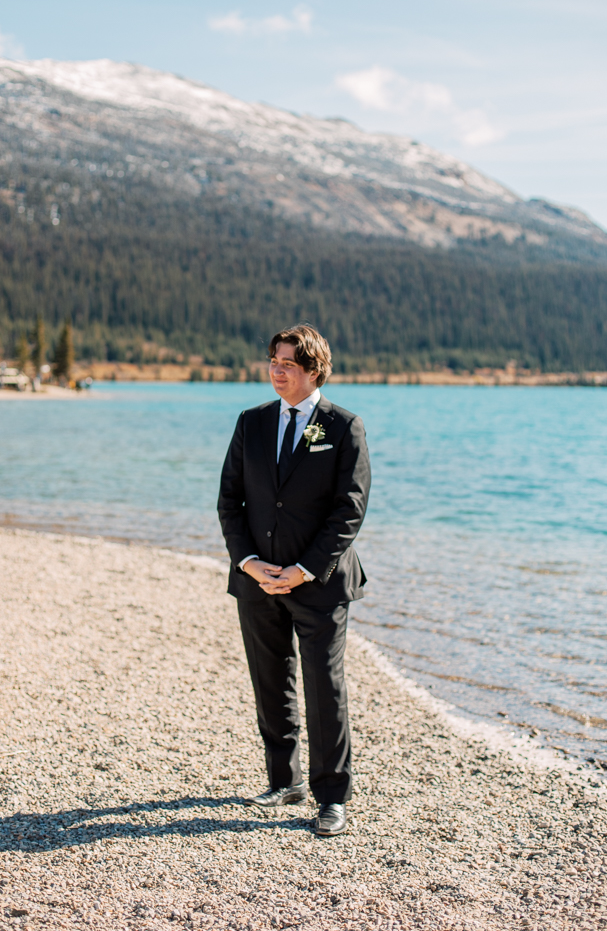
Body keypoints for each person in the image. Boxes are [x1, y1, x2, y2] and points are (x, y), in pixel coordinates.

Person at [217, 324, 371, 837]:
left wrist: (304, 569)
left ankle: (332, 797)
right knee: (270, 680)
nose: (276, 370)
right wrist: (248, 563)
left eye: (288, 364)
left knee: (324, 687)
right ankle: (285, 780)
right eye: (273, 361)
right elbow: (229, 500)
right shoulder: (251, 422)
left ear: (313, 371)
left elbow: (349, 512)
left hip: (320, 582)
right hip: (258, 580)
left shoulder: (343, 427)